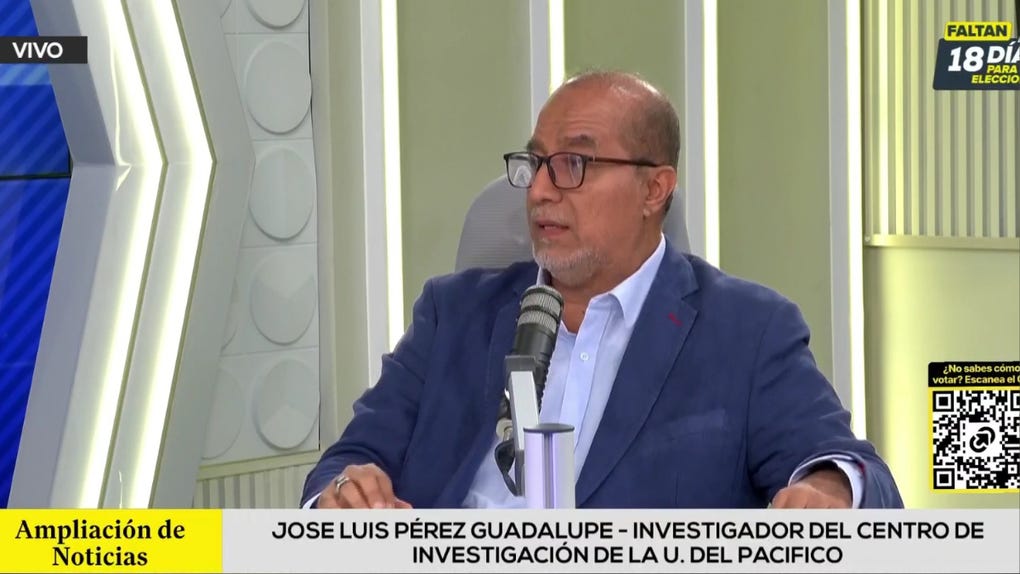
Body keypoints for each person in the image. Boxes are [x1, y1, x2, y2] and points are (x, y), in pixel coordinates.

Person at [302, 71, 903, 509]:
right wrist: (344, 492)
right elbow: (340, 467)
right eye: (536, 163)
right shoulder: (453, 313)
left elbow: (859, 476)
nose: (540, 190)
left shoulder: (747, 329)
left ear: (654, 190)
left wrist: (828, 489)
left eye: (574, 165)